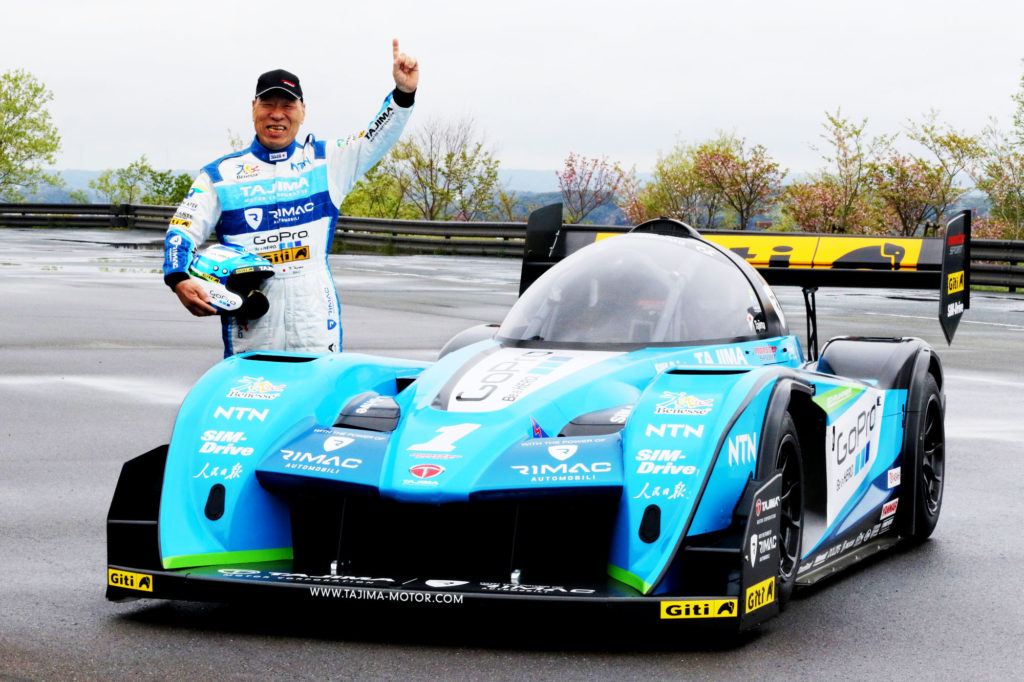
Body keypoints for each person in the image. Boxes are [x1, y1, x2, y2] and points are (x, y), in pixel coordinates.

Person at [162, 39, 419, 357]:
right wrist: (178, 279)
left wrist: (403, 94)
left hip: (314, 318)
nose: (278, 115)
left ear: (303, 111)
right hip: (253, 318)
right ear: (253, 108)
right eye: (269, 105)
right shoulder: (219, 175)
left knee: (318, 403)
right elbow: (181, 231)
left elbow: (376, 138)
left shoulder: (327, 162)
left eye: (288, 106)